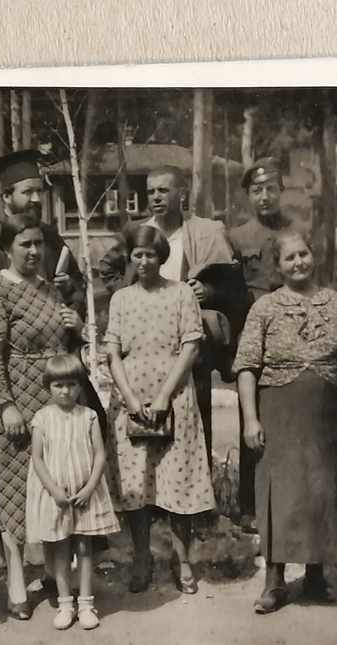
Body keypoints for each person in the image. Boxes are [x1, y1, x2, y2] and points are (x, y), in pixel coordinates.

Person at [0, 149, 86, 597]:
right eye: (26, 192)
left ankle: (57, 564)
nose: (35, 200)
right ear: (6, 196)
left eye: (39, 192)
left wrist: (70, 299)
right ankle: (9, 562)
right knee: (4, 472)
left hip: (53, 379)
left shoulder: (53, 239)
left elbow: (74, 303)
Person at [234, 231, 337, 613]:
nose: (299, 263)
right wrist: (250, 419)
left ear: (314, 256)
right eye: (289, 258)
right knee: (280, 493)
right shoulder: (265, 308)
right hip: (279, 411)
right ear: (278, 265)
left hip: (327, 414)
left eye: (304, 254)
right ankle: (273, 582)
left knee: (323, 492)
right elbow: (245, 366)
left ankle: (315, 577)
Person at [0, 215, 91, 620]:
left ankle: (58, 574)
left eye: (39, 243)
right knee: (14, 487)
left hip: (55, 402)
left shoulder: (50, 289)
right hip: (16, 400)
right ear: (8, 248)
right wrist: (5, 404)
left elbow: (66, 346)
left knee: (57, 481)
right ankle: (17, 576)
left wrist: (77, 325)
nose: (35, 251)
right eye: (25, 244)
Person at [99, 165, 249, 461]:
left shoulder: (205, 231)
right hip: (144, 343)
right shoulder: (138, 232)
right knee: (146, 421)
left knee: (195, 420)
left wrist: (209, 293)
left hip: (191, 345)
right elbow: (107, 267)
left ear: (182, 193)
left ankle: (197, 500)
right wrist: (128, 296)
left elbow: (235, 285)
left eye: (163, 190)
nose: (156, 197)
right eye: (151, 191)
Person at [105, 224, 216, 595]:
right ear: (130, 257)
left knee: (177, 483)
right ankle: (141, 556)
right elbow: (112, 353)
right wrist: (131, 399)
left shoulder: (181, 294)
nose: (143, 261)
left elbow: (191, 346)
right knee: (136, 485)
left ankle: (183, 559)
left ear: (161, 257)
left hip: (175, 400)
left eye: (150, 254)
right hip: (131, 403)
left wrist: (166, 395)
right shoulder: (120, 299)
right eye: (137, 254)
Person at [26, 354, 120, 630]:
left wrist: (90, 487)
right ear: (48, 387)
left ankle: (86, 604)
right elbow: (38, 458)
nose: (65, 391)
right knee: (61, 549)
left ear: (80, 386)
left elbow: (101, 455)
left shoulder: (88, 416)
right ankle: (65, 603)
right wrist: (54, 491)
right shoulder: (42, 418)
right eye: (58, 386)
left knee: (84, 546)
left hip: (85, 494)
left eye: (71, 384)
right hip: (57, 496)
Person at [228, 157, 296, 532]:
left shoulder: (297, 233)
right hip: (254, 339)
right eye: (257, 190)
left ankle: (286, 504)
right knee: (250, 422)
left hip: (291, 336)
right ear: (248, 196)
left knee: (288, 421)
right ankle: (250, 510)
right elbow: (230, 292)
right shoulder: (237, 238)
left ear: (281, 191)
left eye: (271, 188)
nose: (265, 196)